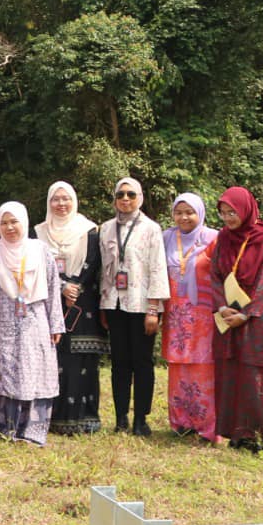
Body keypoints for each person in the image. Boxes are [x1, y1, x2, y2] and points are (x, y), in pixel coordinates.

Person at [0, 202, 64, 446]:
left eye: (14, 221)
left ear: (24, 222)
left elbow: (52, 287)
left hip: (35, 319)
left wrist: (56, 324)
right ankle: (6, 428)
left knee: (34, 370)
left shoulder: (40, 250)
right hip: (1, 320)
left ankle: (32, 431)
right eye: (4, 223)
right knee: (5, 370)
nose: (9, 227)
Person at [211, 187, 263, 454]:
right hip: (228, 312)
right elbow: (215, 274)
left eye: (233, 212)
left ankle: (261, 436)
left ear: (246, 209)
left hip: (259, 314)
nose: (228, 218)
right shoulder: (223, 238)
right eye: (224, 213)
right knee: (230, 371)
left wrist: (247, 313)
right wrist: (221, 306)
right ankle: (237, 433)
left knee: (255, 371)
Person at [98, 177, 167, 437]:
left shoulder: (151, 228)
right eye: (120, 194)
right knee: (119, 363)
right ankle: (120, 418)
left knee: (142, 362)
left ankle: (141, 419)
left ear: (140, 198)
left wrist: (153, 309)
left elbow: (158, 268)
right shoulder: (105, 229)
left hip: (141, 304)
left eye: (130, 194)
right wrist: (103, 305)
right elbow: (104, 270)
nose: (125, 199)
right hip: (114, 302)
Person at [37, 181, 104, 436]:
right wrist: (62, 286)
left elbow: (93, 262)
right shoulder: (38, 232)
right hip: (50, 301)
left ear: (74, 201)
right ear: (49, 202)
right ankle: (54, 418)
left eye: (66, 199)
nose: (61, 204)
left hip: (82, 303)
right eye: (56, 199)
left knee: (82, 361)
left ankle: (85, 419)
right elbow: (38, 265)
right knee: (56, 359)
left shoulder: (89, 230)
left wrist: (74, 287)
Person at [160, 192, 218, 443]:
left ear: (200, 213)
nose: (184, 217)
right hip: (175, 313)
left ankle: (207, 425)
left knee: (204, 367)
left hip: (204, 313)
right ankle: (181, 421)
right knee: (178, 367)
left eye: (189, 212)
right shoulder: (166, 238)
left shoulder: (214, 238)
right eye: (179, 212)